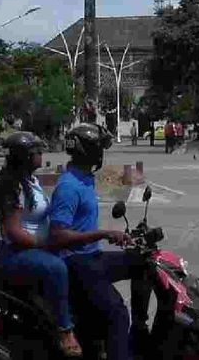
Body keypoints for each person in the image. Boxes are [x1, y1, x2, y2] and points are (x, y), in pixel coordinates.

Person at [49, 124, 151, 360]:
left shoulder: (85, 179)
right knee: (117, 313)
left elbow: (123, 178)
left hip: (91, 256)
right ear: (87, 151)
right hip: (76, 262)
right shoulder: (68, 187)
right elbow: (58, 235)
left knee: (144, 263)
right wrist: (103, 233)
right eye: (99, 148)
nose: (102, 154)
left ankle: (140, 329)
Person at [0, 132, 82, 358]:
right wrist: (45, 244)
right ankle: (65, 331)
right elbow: (14, 231)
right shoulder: (12, 186)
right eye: (36, 151)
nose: (41, 154)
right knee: (56, 268)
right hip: (14, 254)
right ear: (24, 156)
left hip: (32, 251)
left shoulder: (30, 181)